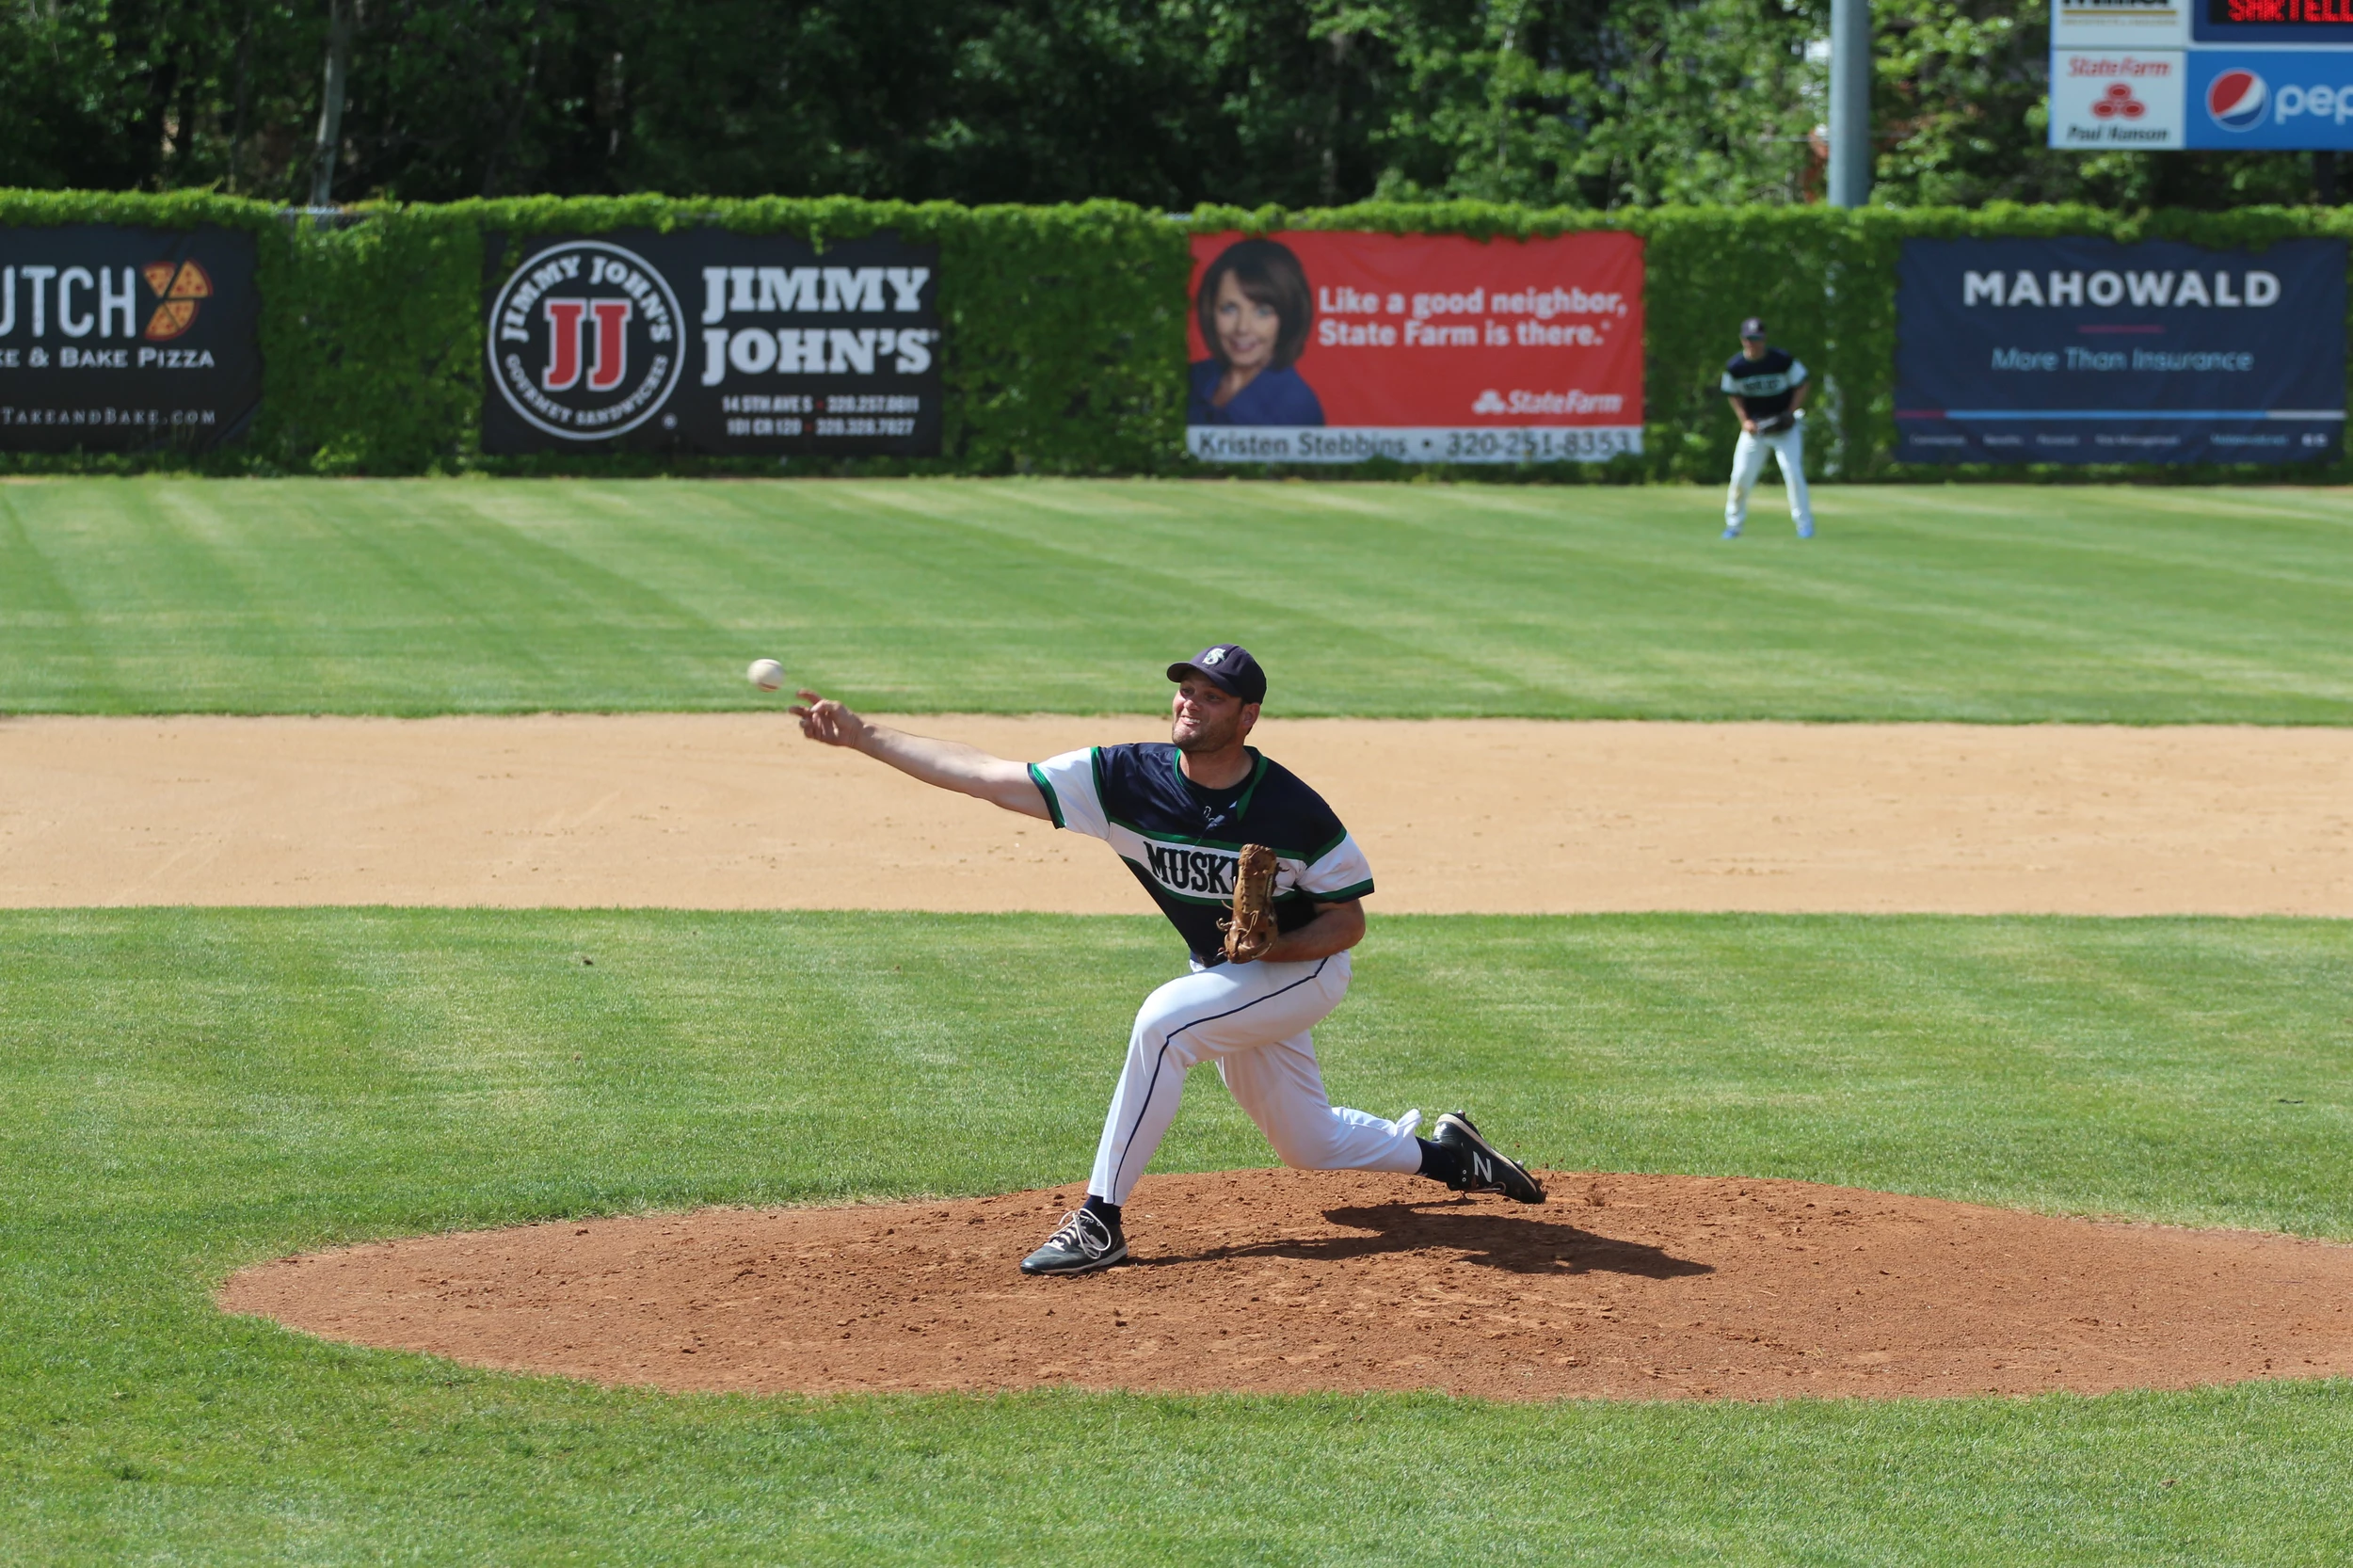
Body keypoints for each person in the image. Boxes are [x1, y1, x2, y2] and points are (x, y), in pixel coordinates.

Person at [789, 644, 1545, 1276]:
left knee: (1164, 1026)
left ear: (1247, 717)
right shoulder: (1123, 778)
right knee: (1307, 1143)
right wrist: (864, 736)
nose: (1190, 703)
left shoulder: (1293, 808)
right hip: (1227, 978)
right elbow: (988, 776)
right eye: (1185, 691)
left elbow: (1348, 921)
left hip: (1305, 971)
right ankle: (1451, 1157)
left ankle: (1099, 1221)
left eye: (1213, 697)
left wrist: (1276, 944)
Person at [1187, 239, 1326, 427]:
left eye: (1262, 312)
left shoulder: (1295, 405)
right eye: (1229, 309)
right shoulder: (1194, 377)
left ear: (1287, 317)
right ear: (1210, 310)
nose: (1242, 327)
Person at [1720, 316, 1815, 540]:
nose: (1753, 343)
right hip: (1755, 430)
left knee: (1793, 474)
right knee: (1741, 476)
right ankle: (1733, 526)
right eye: (1749, 338)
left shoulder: (1780, 360)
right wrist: (1745, 420)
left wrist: (1791, 411)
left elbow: (1803, 382)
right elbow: (1732, 394)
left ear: (1764, 339)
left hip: (1784, 429)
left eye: (1757, 338)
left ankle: (1804, 526)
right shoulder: (1736, 367)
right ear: (1742, 339)